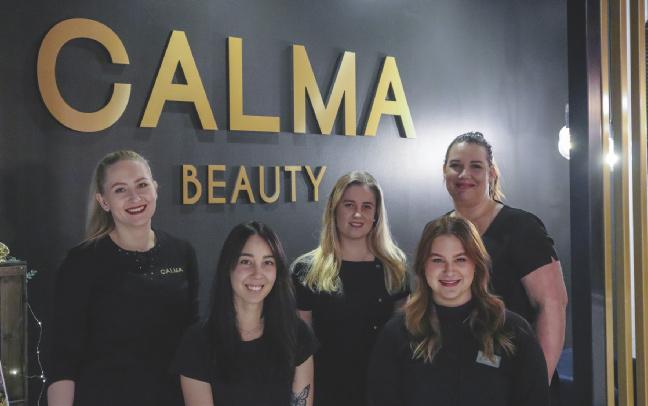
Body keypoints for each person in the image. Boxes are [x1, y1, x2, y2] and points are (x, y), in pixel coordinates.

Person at [47, 150, 199, 406]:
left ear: (155, 189)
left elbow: (193, 347)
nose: (134, 197)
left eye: (142, 185)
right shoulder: (81, 262)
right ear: (103, 201)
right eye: (120, 190)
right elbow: (63, 358)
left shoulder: (182, 252)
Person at [367, 216, 549, 406]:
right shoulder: (396, 334)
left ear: (476, 265)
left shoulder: (514, 331)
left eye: (460, 259)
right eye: (438, 260)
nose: (449, 271)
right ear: (423, 266)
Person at [442, 131, 568, 403]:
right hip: (457, 383)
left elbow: (552, 305)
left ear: (492, 173)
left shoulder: (521, 228)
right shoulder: (440, 230)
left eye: (476, 166)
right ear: (445, 172)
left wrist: (535, 387)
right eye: (456, 165)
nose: (464, 174)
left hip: (515, 382)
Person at [291, 171, 408, 406]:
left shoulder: (394, 268)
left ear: (376, 214)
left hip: (381, 393)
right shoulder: (307, 270)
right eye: (349, 205)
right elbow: (301, 351)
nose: (357, 214)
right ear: (334, 209)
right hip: (326, 393)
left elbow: (402, 344)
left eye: (367, 206)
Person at [173, 221, 317, 406]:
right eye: (246, 262)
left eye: (267, 262)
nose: (257, 273)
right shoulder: (197, 342)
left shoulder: (298, 334)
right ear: (228, 267)